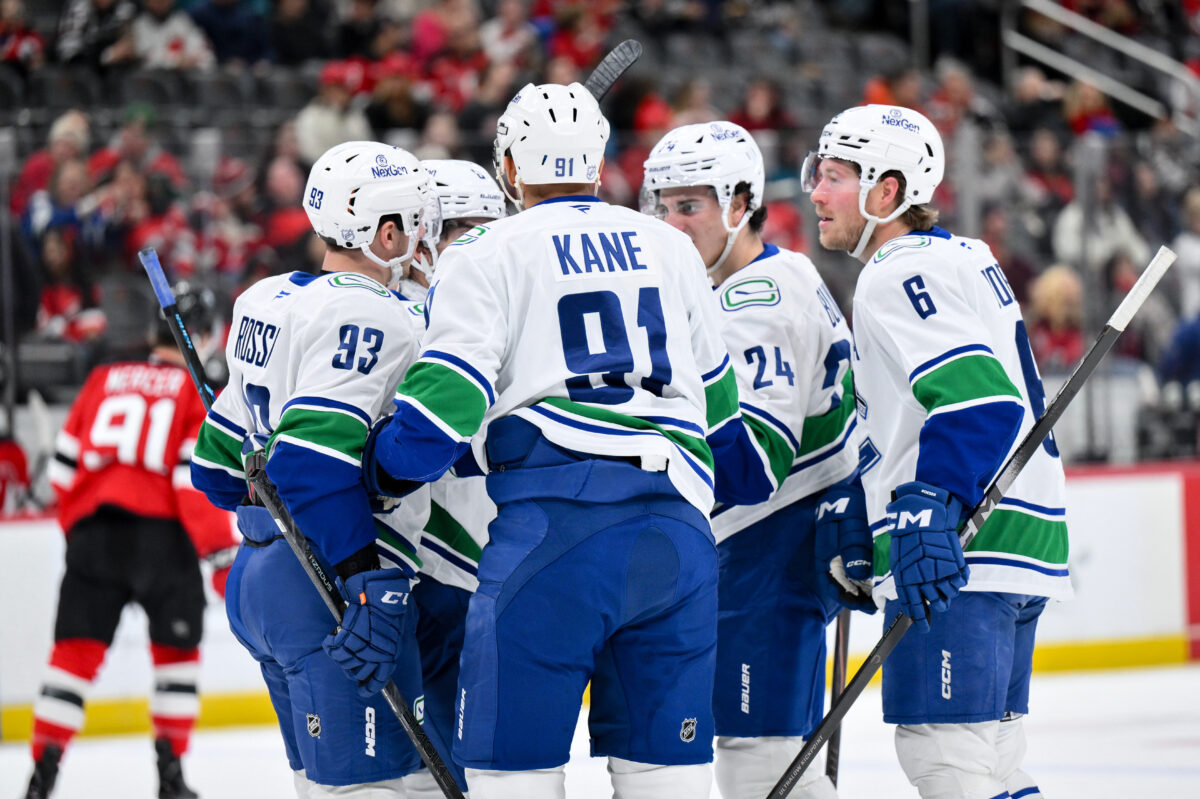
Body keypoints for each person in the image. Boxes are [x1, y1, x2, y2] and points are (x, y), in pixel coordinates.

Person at [364, 82, 768, 798]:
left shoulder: (487, 250)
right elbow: (725, 418)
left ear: (510, 166)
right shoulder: (669, 248)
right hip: (677, 539)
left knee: (510, 779)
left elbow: (442, 412)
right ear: (599, 158)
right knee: (665, 780)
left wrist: (380, 473)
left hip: (553, 536)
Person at [803, 104, 1072, 799]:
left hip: (962, 549)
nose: (815, 192)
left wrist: (925, 505)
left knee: (945, 761)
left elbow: (979, 401)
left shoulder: (895, 272)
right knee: (993, 764)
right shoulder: (963, 253)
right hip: (1020, 539)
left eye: (833, 177)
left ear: (886, 191)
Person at [189, 141, 441, 797]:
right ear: (386, 230)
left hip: (260, 578)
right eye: (412, 221)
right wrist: (363, 579)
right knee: (379, 790)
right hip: (330, 582)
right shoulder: (373, 313)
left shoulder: (263, 298)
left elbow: (214, 466)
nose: (418, 236)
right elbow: (307, 462)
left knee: (324, 787)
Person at [642, 121, 868, 799]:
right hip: (778, 541)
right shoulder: (756, 283)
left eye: (692, 206)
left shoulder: (758, 299)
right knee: (768, 760)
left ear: (741, 206)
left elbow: (748, 468)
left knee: (757, 763)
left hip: (773, 543)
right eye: (664, 206)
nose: (672, 225)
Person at [23, 284, 238, 799]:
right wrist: (221, 559)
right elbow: (193, 485)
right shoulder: (195, 391)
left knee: (72, 659)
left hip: (95, 536)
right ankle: (171, 778)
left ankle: (41, 777)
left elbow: (59, 475)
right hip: (164, 542)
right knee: (176, 658)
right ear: (204, 337)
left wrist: (81, 531)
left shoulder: (102, 379)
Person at [400, 157, 507, 797]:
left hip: (479, 570)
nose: (468, 243)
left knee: (450, 768)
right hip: (431, 571)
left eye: (480, 226)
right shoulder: (406, 317)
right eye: (454, 227)